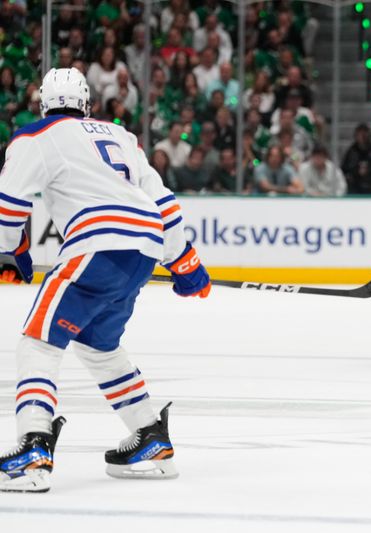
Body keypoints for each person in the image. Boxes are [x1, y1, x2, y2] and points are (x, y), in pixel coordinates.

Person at [0, 68, 211, 492]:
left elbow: (7, 206)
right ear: (87, 105)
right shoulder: (121, 136)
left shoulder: (34, 136)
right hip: (144, 248)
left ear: (43, 103)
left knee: (39, 342)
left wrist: (12, 251)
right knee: (97, 343)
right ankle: (149, 435)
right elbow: (163, 200)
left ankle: (33, 447)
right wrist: (183, 260)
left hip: (95, 246)